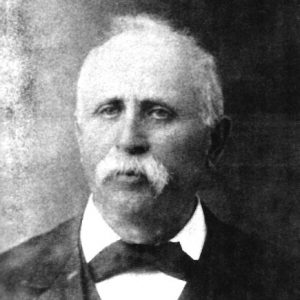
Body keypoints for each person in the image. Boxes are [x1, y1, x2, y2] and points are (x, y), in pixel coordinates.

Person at [0, 14, 295, 300]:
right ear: (80, 135)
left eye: (158, 113)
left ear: (214, 141)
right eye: (109, 110)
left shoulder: (285, 282)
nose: (129, 140)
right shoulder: (7, 281)